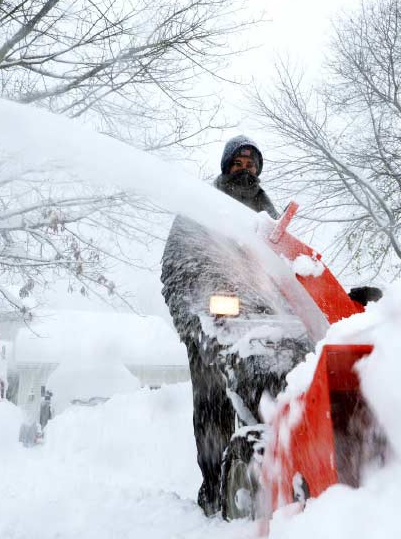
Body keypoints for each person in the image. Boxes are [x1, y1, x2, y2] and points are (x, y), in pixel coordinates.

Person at [159, 135, 278, 516]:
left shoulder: (265, 212)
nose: (246, 168)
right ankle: (214, 487)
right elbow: (173, 272)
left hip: (260, 328)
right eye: (239, 162)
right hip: (209, 326)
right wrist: (191, 324)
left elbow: (282, 269)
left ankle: (273, 471)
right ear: (226, 165)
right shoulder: (201, 206)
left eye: (252, 163)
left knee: (270, 397)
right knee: (213, 407)